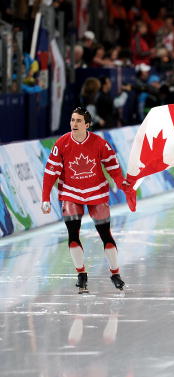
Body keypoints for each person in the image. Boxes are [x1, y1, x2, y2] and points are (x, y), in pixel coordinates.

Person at [41, 107, 131, 293]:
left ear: (87, 125)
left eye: (79, 121)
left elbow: (113, 166)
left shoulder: (100, 143)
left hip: (96, 193)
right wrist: (45, 197)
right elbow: (50, 173)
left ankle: (115, 273)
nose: (74, 124)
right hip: (71, 194)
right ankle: (81, 274)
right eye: (73, 120)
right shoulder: (61, 143)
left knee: (105, 234)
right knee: (73, 235)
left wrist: (121, 183)